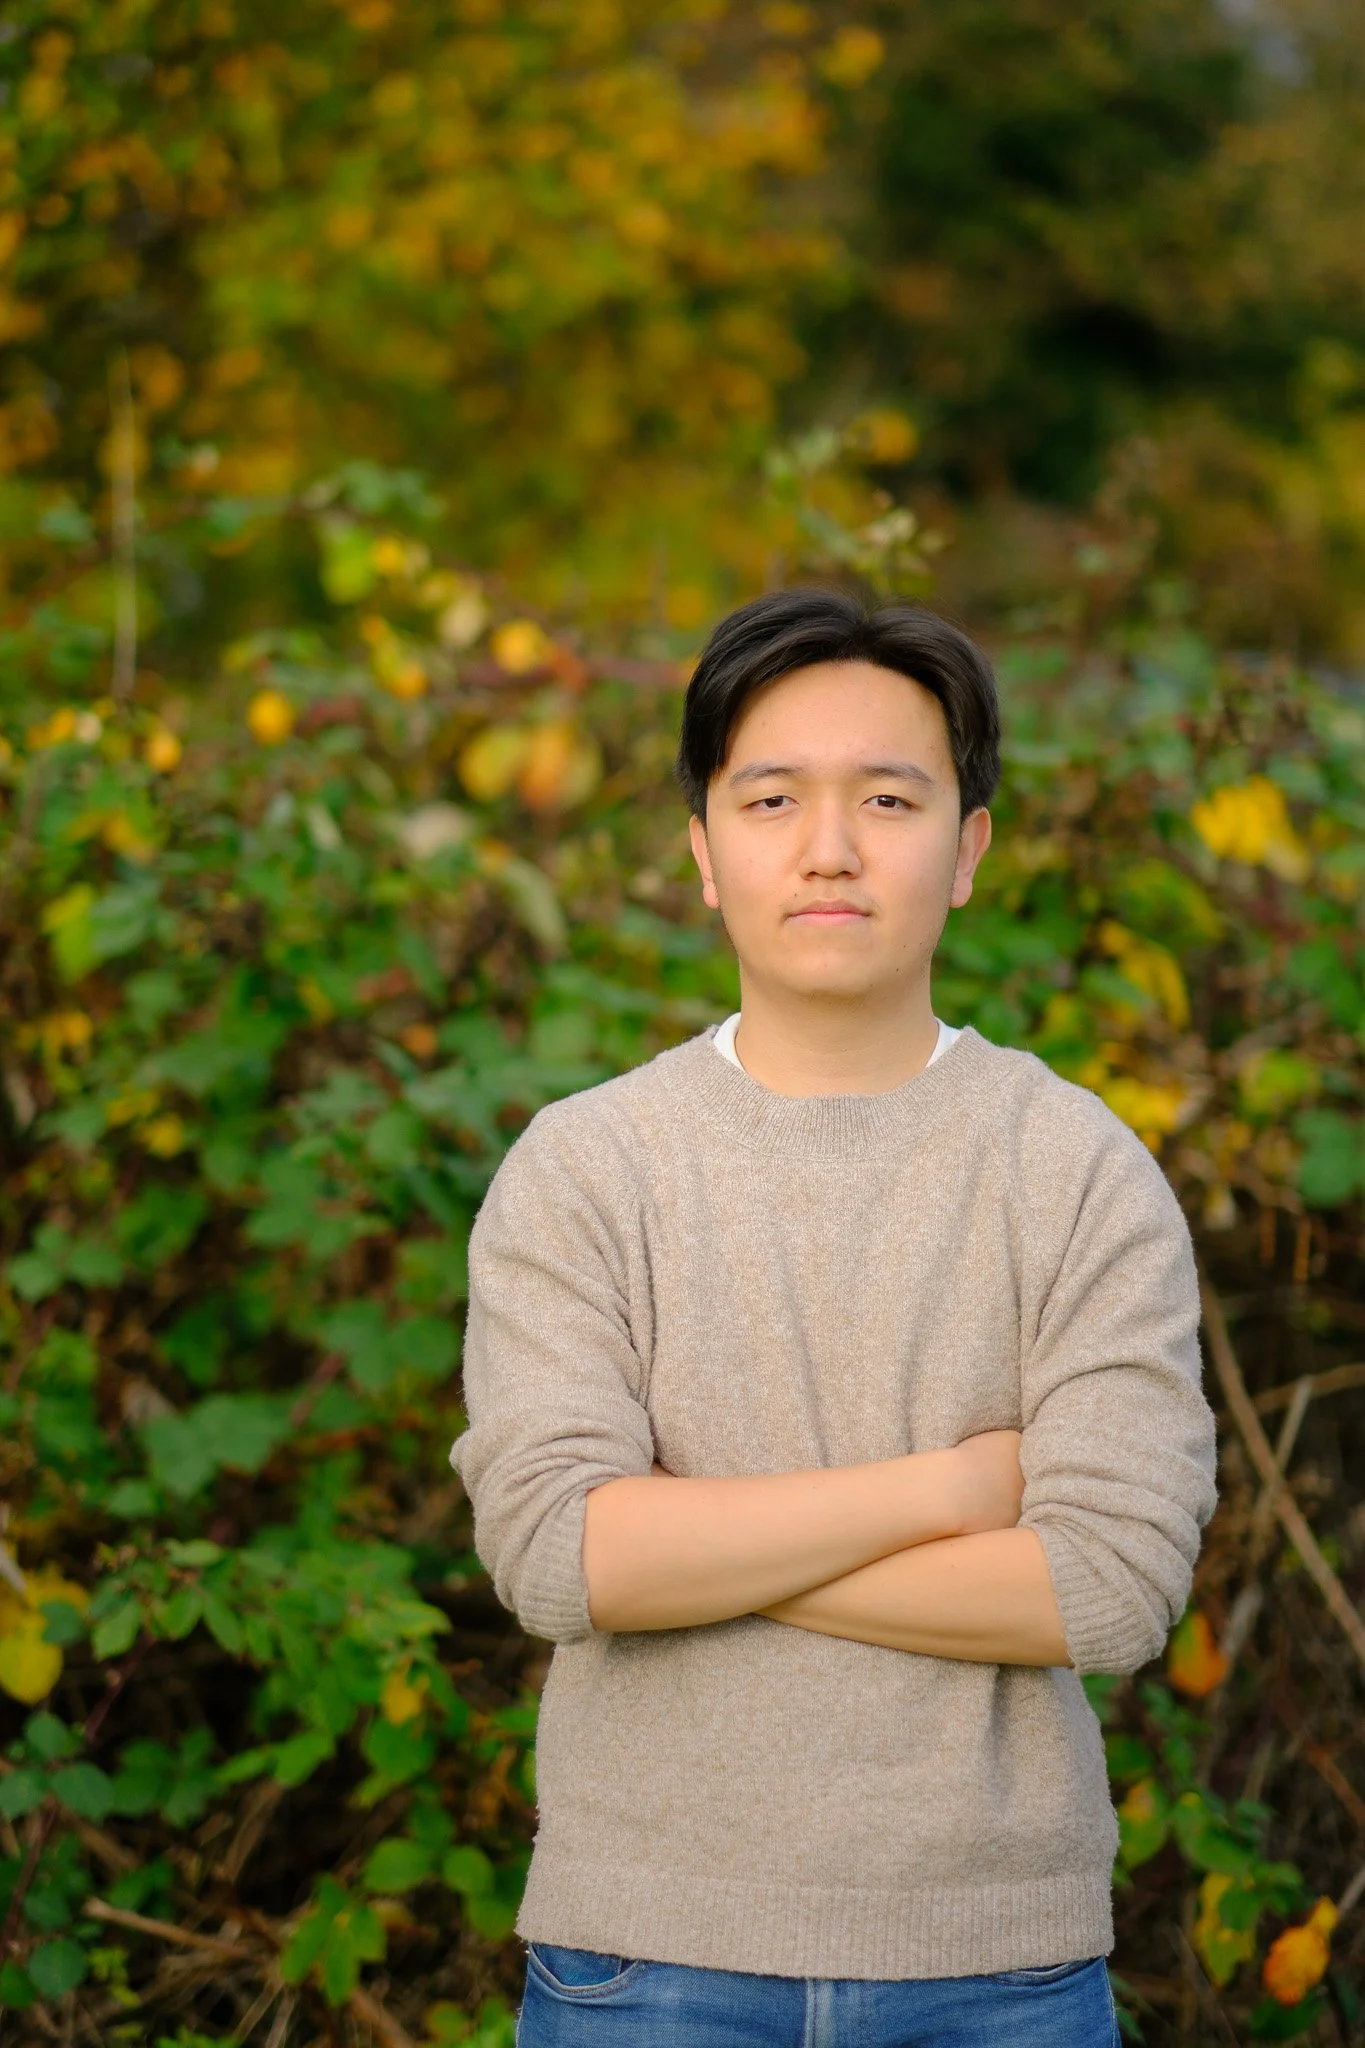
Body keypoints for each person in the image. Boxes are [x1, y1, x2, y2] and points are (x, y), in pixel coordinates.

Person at [449, 586, 1219, 2047]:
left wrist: (688, 1543)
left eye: (887, 796)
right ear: (702, 850)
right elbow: (557, 1555)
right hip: (647, 1961)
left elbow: (1108, 1591)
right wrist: (948, 1493)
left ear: (970, 847)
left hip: (1000, 1970)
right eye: (772, 797)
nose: (830, 847)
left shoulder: (1074, 1170)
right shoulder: (587, 1168)